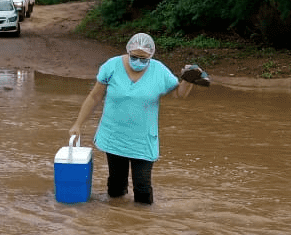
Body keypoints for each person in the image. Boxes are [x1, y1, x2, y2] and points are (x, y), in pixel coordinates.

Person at [68, 32, 209, 205]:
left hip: (143, 139)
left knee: (142, 188)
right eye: (135, 57)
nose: (139, 62)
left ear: (151, 56)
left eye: (144, 59)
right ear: (128, 51)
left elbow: (179, 94)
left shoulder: (159, 71)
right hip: (115, 136)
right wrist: (78, 124)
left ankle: (143, 224)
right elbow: (94, 97)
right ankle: (117, 222)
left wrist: (188, 80)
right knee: (116, 186)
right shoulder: (111, 66)